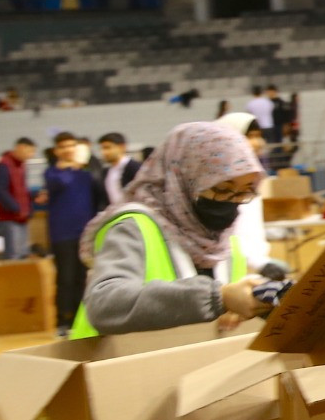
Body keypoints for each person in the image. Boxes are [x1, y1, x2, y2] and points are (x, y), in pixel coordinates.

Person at [72, 122, 270, 338]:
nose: (232, 203)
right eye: (221, 189)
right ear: (184, 178)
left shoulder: (224, 239)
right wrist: (217, 298)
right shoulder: (133, 227)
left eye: (245, 192)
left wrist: (239, 307)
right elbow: (105, 304)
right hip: (114, 366)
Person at [42, 131, 102, 332]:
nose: (68, 149)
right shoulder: (52, 173)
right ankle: (63, 320)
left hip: (85, 232)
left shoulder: (86, 172)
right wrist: (71, 166)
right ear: (57, 150)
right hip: (62, 233)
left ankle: (79, 317)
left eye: (71, 145)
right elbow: (62, 183)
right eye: (64, 146)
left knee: (82, 277)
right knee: (65, 278)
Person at [214, 111, 274, 271]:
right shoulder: (216, 186)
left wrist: (262, 262)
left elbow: (251, 232)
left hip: (248, 272)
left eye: (258, 136)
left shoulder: (251, 181)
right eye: (250, 136)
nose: (257, 142)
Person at [0, 137, 36, 261]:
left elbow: (23, 189)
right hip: (10, 216)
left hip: (22, 215)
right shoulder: (4, 165)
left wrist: (29, 204)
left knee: (23, 252)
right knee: (14, 253)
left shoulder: (21, 166)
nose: (31, 155)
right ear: (20, 148)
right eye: (30, 151)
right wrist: (15, 207)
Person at [96, 132, 142, 206]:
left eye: (108, 148)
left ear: (122, 147)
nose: (104, 152)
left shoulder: (134, 168)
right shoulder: (106, 172)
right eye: (102, 148)